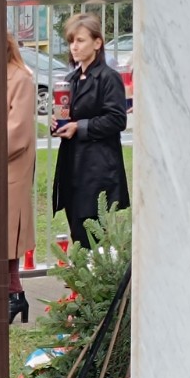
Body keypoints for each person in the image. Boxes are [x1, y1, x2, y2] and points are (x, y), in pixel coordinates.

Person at [52, 13, 129, 249]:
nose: (74, 46)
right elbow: (69, 117)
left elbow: (117, 119)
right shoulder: (71, 79)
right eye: (71, 41)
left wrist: (80, 127)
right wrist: (59, 125)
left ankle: (93, 284)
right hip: (73, 166)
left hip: (97, 170)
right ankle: (82, 283)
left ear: (97, 43)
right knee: (77, 231)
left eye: (80, 40)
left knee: (91, 238)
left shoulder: (108, 78)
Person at [5, 33, 36, 324]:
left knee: (7, 234)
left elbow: (18, 133)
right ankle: (13, 293)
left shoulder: (20, 78)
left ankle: (14, 294)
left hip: (8, 165)